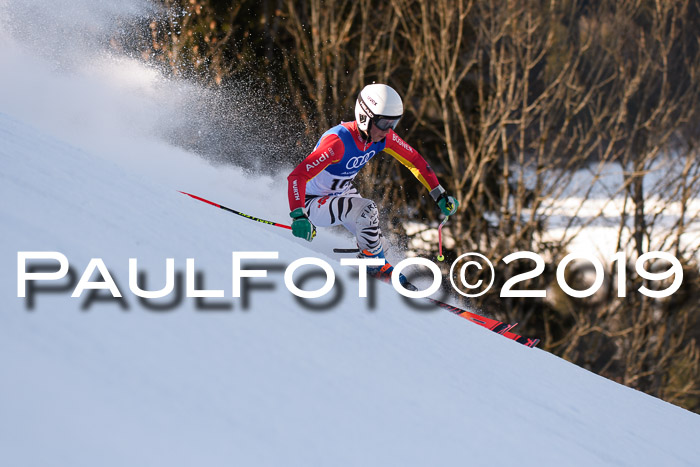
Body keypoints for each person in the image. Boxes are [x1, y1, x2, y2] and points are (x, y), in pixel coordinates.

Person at [286, 83, 458, 287]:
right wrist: (298, 214)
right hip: (312, 203)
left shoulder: (380, 138)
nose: (388, 131)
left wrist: (439, 194)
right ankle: (373, 267)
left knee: (379, 244)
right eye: (385, 123)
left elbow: (414, 161)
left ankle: (377, 264)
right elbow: (297, 177)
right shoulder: (337, 142)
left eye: (393, 124)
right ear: (364, 116)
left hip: (339, 194)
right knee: (367, 210)